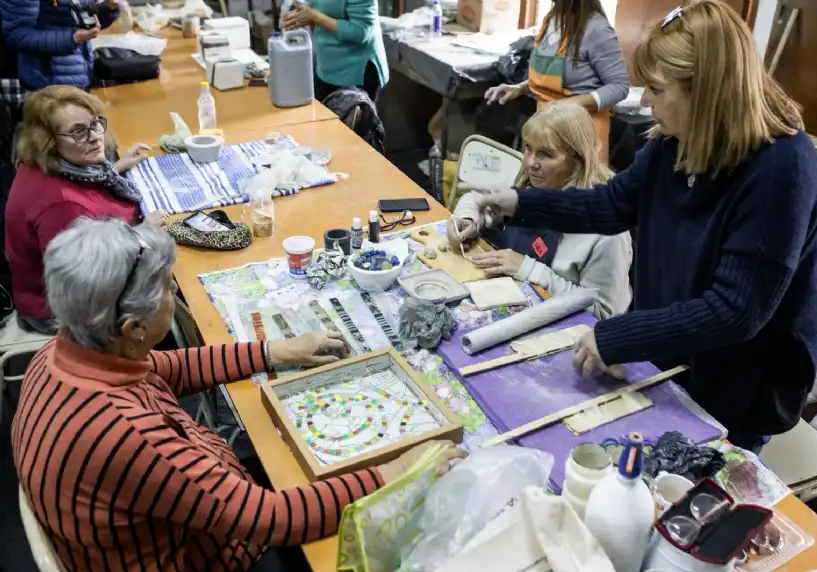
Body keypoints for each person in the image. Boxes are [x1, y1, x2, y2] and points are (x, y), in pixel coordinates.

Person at [464, 0, 817, 454]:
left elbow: (735, 311)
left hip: (741, 382)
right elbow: (612, 204)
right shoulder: (674, 143)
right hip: (675, 349)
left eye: (655, 89)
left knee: (696, 476)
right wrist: (519, 202)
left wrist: (618, 335)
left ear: (706, 91)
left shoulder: (781, 169)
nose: (646, 102)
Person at [12, 217, 465, 572]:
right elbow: (270, 519)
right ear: (133, 329)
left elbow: (168, 368)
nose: (174, 292)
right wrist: (395, 472)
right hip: (217, 556)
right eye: (168, 289)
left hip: (184, 519)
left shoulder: (65, 352)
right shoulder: (127, 433)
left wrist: (273, 351)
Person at [449, 100, 631, 318]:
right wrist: (468, 219)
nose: (530, 163)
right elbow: (476, 199)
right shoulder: (530, 180)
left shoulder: (607, 233)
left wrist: (528, 268)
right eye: (528, 148)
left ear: (577, 159)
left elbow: (603, 313)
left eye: (545, 154)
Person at [5, 85, 165, 335]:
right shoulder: (62, 206)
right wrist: (143, 235)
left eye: (95, 124)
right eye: (78, 132)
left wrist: (115, 169)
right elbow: (91, 279)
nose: (95, 136)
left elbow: (84, 194)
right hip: (62, 312)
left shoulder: (45, 164)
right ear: (48, 141)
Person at [484, 0, 629, 161]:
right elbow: (551, 78)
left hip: (579, 135)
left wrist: (566, 105)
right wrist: (520, 88)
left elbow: (619, 86)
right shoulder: (552, 19)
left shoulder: (597, 29)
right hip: (545, 127)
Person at [0, 0, 120, 91]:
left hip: (81, 73)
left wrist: (109, 8)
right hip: (44, 83)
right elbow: (17, 35)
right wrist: (73, 38)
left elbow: (87, 18)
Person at [281, 0, 388, 101]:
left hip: (355, 71)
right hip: (326, 66)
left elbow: (360, 32)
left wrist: (315, 17)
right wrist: (302, 11)